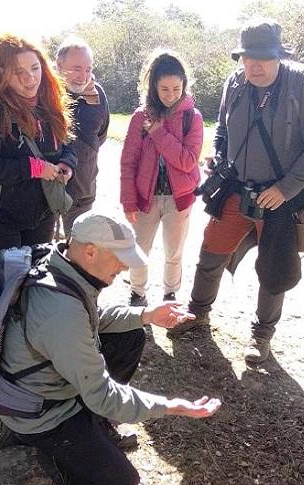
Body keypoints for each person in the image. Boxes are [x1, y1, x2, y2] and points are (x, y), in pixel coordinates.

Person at [0, 210, 221, 485]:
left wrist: (147, 314)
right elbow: (103, 394)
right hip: (41, 415)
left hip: (54, 379)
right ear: (90, 251)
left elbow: (93, 317)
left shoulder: (61, 264)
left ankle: (91, 424)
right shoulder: (60, 313)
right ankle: (44, 450)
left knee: (132, 334)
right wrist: (171, 406)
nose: (125, 268)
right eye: (120, 258)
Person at [167, 18, 304, 365]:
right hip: (236, 189)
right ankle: (198, 313)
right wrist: (219, 157)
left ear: (278, 56)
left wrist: (285, 189)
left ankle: (262, 335)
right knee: (211, 252)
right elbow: (222, 129)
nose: (254, 65)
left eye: (263, 58)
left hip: (281, 198)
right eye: (247, 57)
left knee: (273, 269)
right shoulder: (235, 82)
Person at [0, 34, 77, 267]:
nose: (30, 79)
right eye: (19, 72)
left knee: (34, 292)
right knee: (4, 295)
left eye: (35, 68)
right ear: (2, 72)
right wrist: (34, 168)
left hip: (41, 217)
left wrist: (67, 164)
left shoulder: (49, 101)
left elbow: (66, 144)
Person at [120, 50, 203, 306]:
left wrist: (157, 133)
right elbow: (128, 162)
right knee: (139, 249)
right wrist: (128, 201)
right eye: (164, 89)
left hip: (179, 198)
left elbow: (187, 161)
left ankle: (170, 294)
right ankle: (137, 293)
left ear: (184, 85)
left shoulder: (193, 118)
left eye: (176, 88)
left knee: (174, 252)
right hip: (147, 197)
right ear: (154, 86)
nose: (170, 95)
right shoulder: (139, 117)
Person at [55, 36, 110, 236]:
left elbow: (101, 135)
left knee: (76, 256)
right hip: (45, 191)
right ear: (59, 65)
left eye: (88, 69)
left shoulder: (98, 94)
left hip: (83, 192)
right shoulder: (44, 94)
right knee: (40, 256)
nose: (83, 76)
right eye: (77, 68)